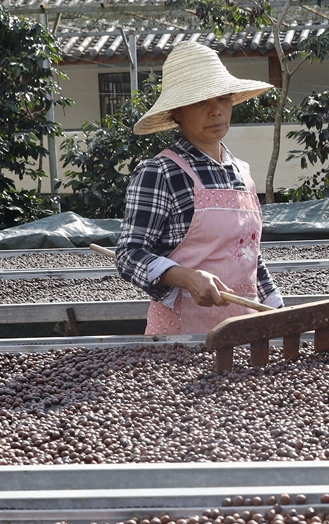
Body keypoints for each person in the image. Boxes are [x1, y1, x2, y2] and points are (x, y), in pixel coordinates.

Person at [117, 41, 283, 334]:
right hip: (183, 336)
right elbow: (129, 255)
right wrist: (186, 277)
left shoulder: (241, 172)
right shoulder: (160, 172)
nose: (216, 111)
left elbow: (249, 256)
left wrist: (278, 310)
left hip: (245, 331)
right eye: (200, 102)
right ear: (177, 113)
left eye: (222, 99)